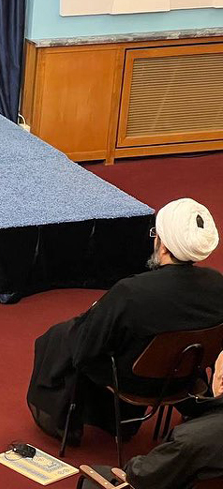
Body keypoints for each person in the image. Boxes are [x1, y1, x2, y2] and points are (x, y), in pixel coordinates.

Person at [27, 198, 223, 444]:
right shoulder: (218, 285)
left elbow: (85, 349)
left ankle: (67, 421)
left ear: (163, 246)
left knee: (60, 336)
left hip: (134, 381)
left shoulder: (131, 292)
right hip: (185, 379)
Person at [79, 350, 223, 489]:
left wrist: (133, 465)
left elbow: (141, 478)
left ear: (221, 382)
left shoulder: (190, 440)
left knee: (94, 475)